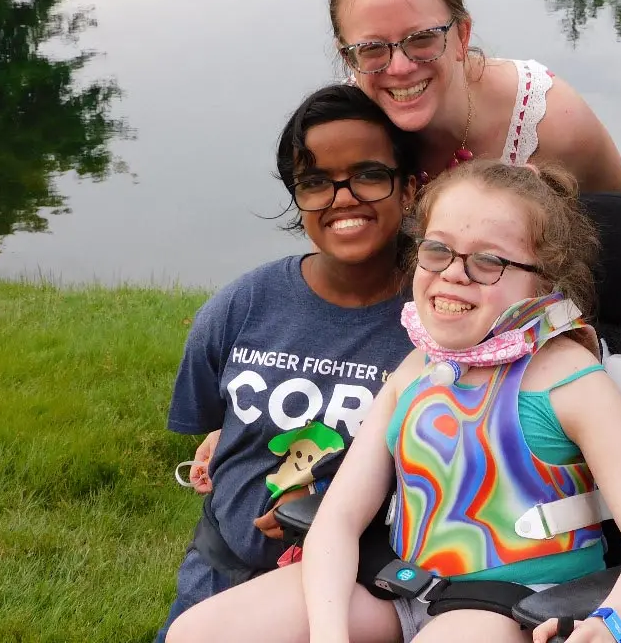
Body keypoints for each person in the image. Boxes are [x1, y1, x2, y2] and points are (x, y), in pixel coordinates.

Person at [165, 159, 621, 643]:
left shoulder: (571, 382)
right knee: (198, 632)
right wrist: (329, 632)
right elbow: (340, 518)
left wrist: (610, 623)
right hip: (398, 585)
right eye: (437, 250)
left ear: (545, 281)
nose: (453, 272)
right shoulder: (418, 369)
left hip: (511, 609)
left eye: (488, 262)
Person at [154, 83, 422, 641]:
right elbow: (216, 423)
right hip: (218, 577)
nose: (342, 197)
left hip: (358, 595)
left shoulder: (435, 322)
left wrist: (331, 503)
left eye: (369, 174)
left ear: (411, 188)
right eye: (316, 182)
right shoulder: (243, 305)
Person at [329, 0, 621, 194]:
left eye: (421, 39)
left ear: (462, 35)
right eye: (372, 48)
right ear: (348, 57)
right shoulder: (335, 132)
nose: (400, 67)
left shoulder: (549, 122)